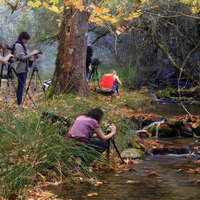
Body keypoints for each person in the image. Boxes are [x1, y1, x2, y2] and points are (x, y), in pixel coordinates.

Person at [13, 31, 39, 108]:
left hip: (22, 68)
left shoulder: (21, 45)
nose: (26, 41)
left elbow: (23, 57)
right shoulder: (18, 45)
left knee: (21, 85)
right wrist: (31, 54)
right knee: (21, 86)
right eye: (25, 39)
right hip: (20, 69)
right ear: (22, 38)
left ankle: (19, 103)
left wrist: (30, 59)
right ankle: (19, 104)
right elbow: (21, 58)